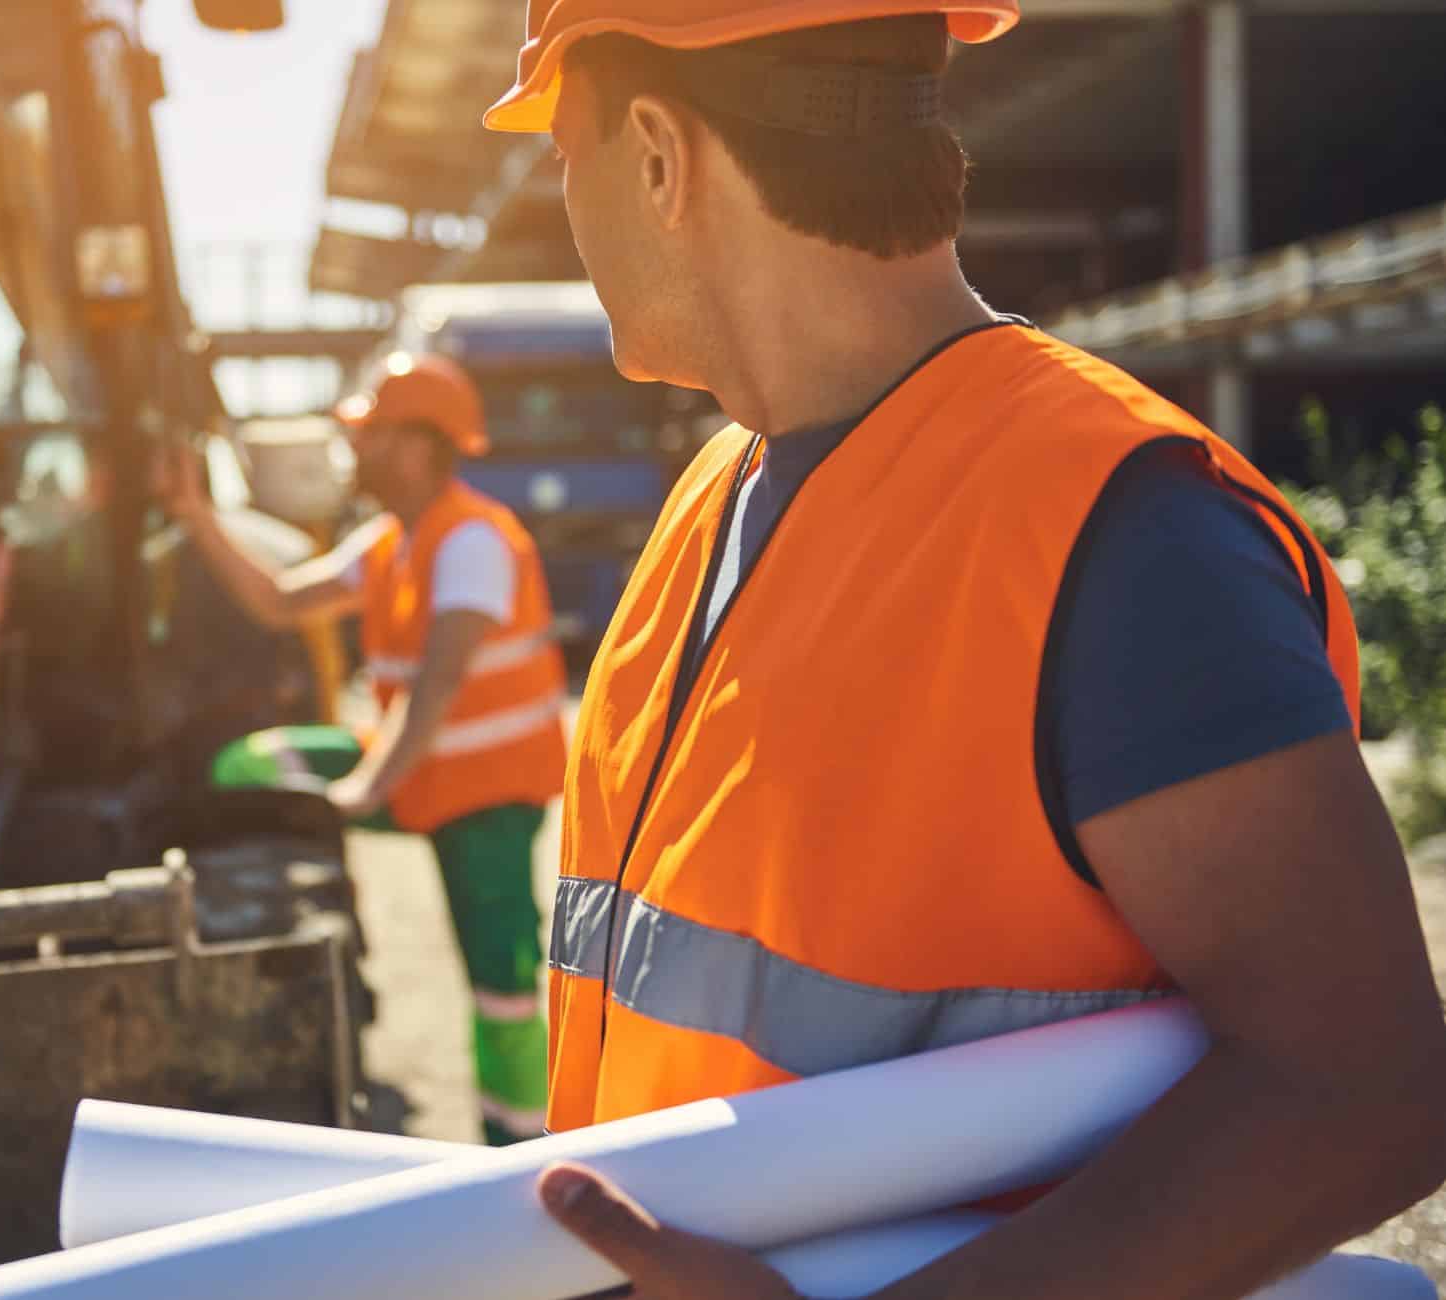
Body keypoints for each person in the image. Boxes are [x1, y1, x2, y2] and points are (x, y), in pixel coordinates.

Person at [471, 2, 1446, 1295]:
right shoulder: (711, 496)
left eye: (563, 155)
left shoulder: (1125, 535)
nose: (564, 207)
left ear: (656, 155)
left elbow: (1364, 1084)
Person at [152, 353, 568, 1146]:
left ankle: (521, 1148)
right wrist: (197, 515)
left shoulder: (472, 541)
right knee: (253, 767)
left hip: (487, 800)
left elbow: (438, 683)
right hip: (418, 774)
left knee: (502, 987)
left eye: (370, 433)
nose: (354, 447)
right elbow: (281, 601)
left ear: (417, 447)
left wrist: (367, 787)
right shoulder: (390, 541)